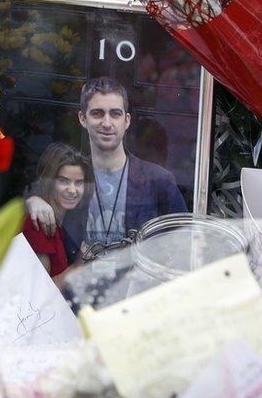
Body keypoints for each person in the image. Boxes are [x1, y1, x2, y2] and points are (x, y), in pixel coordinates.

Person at [27, 76, 188, 262]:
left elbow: (183, 244)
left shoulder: (158, 180)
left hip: (136, 289)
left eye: (115, 114)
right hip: (77, 288)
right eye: (97, 113)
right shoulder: (69, 173)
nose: (107, 123)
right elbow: (30, 201)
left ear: (126, 121)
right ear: (82, 118)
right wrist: (32, 201)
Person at [21, 143, 94, 277]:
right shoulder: (38, 223)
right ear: (49, 182)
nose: (72, 190)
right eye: (64, 181)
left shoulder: (66, 221)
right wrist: (78, 265)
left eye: (79, 183)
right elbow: (40, 291)